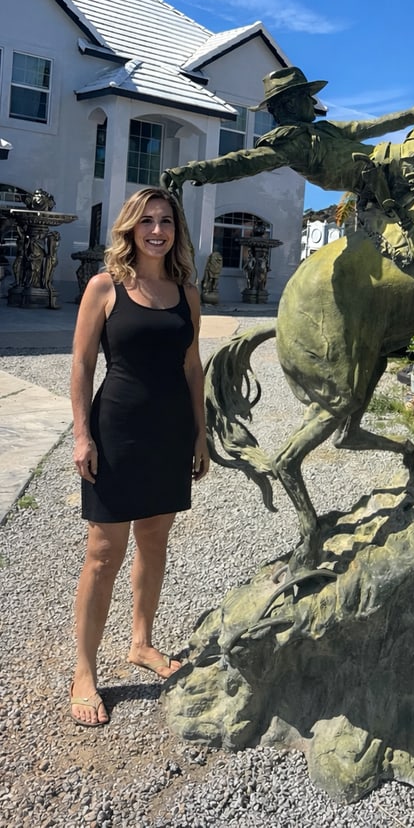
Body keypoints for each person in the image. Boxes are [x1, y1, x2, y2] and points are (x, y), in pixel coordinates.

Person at [69, 187, 209, 727]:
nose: (156, 230)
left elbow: (192, 366)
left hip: (169, 433)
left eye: (166, 221)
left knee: (154, 540)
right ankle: (84, 671)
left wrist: (200, 434)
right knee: (103, 553)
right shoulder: (105, 286)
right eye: (146, 220)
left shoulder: (187, 293)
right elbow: (82, 364)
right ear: (130, 227)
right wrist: (82, 436)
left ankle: (141, 642)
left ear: (176, 230)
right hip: (117, 431)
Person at [161, 66, 414, 219]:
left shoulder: (325, 129)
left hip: (389, 159)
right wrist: (194, 171)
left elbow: (374, 125)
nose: (314, 103)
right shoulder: (292, 144)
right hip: (385, 170)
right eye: (307, 97)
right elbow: (243, 162)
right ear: (292, 104)